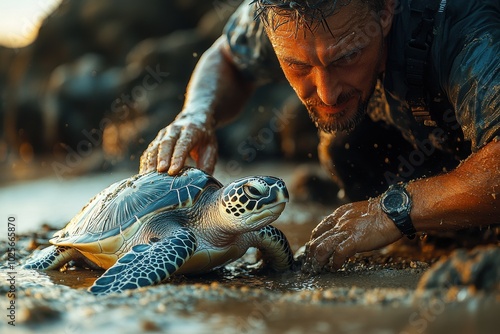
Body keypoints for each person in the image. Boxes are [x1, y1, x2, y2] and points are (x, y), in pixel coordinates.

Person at [139, 0, 499, 274]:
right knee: (347, 151)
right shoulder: (279, 11)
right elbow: (228, 57)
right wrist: (197, 114)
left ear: (386, 11)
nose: (325, 93)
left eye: (347, 56)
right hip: (410, 127)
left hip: (474, 119)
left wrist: (392, 211)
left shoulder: (467, 32)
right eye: (297, 65)